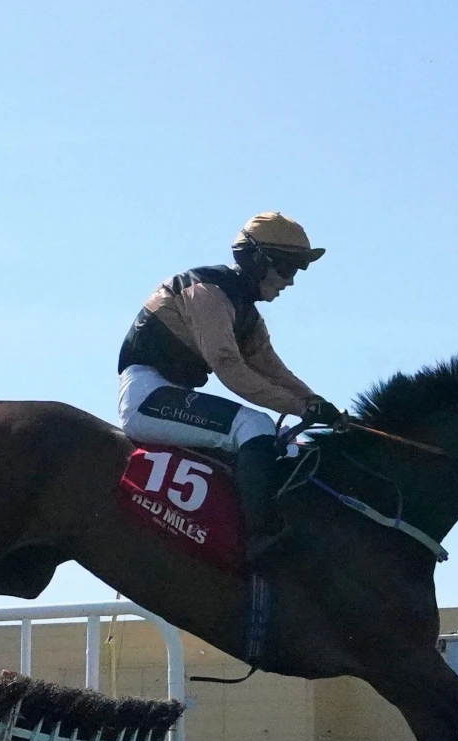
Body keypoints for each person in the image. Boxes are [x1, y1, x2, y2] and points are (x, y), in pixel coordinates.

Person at [116, 213, 344, 562]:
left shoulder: (248, 315)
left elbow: (273, 370)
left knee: (278, 442)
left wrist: (316, 403)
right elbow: (229, 368)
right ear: (258, 260)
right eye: (287, 269)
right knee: (253, 425)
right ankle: (259, 538)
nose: (291, 282)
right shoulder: (207, 292)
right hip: (146, 395)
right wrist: (300, 408)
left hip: (169, 394)